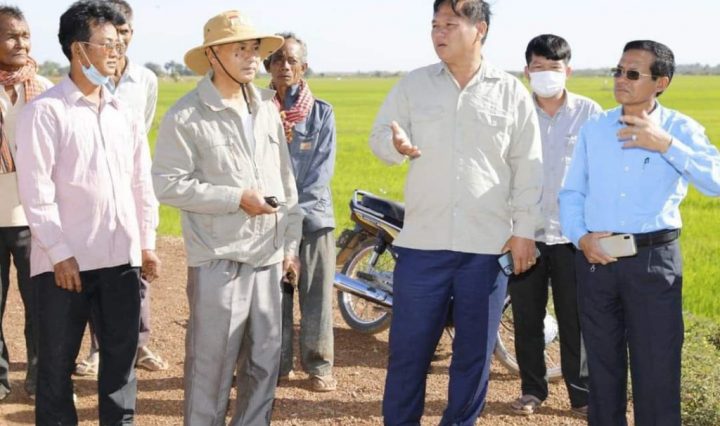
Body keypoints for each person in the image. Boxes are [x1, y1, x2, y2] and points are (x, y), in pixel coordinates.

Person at [369, 0, 542, 424]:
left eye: (449, 24)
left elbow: (529, 166)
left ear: (479, 29)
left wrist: (525, 230)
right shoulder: (414, 85)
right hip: (422, 245)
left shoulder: (510, 92)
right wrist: (394, 145)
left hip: (486, 247)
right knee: (408, 352)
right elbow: (379, 137)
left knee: (472, 356)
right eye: (434, 25)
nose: (439, 33)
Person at [152, 10, 302, 425]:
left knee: (263, 364)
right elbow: (167, 184)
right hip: (219, 258)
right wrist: (236, 198)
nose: (252, 57)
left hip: (268, 256)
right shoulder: (187, 115)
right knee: (211, 369)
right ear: (213, 55)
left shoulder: (267, 108)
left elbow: (286, 182)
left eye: (254, 49)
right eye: (241, 49)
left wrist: (290, 245)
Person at [559, 40, 720, 425]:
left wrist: (667, 145)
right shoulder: (595, 129)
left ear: (661, 82)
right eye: (618, 71)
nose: (621, 79)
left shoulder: (680, 129)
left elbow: (715, 181)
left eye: (633, 73)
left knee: (657, 368)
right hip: (597, 259)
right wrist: (581, 238)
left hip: (653, 263)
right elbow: (572, 192)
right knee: (602, 370)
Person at [15, 0, 159, 423]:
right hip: (65, 266)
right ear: (79, 49)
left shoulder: (124, 113)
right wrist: (59, 252)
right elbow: (36, 191)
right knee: (56, 369)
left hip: (120, 261)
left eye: (120, 44)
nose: (116, 52)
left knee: (120, 365)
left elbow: (141, 184)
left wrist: (146, 243)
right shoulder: (45, 112)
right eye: (107, 44)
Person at [508, 34, 601, 416]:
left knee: (575, 318)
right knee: (526, 317)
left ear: (568, 71)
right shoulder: (515, 113)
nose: (546, 74)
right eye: (539, 67)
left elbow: (601, 174)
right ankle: (532, 390)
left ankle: (582, 396)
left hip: (572, 236)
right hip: (525, 234)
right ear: (526, 71)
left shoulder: (590, 113)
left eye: (554, 67)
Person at [74, 0, 167, 378]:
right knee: (95, 269)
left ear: (131, 33)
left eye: (124, 33)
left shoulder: (145, 80)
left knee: (136, 269)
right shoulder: (83, 78)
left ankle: (138, 344)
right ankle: (97, 349)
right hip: (91, 191)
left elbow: (140, 133)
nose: (118, 41)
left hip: (130, 187)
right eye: (110, 35)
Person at [263, 32, 338, 393]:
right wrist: (276, 215)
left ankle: (319, 366)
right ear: (268, 66)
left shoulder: (321, 113)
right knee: (274, 293)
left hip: (314, 217)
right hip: (270, 219)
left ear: (304, 67)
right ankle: (278, 366)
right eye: (277, 59)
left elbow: (319, 175)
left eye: (292, 60)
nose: (285, 66)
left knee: (316, 294)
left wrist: (294, 218)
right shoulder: (258, 110)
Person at [0, 5, 52, 401]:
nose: (21, 43)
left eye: (25, 35)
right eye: (10, 36)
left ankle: (39, 375)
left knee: (40, 304)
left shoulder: (45, 89)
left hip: (33, 217)